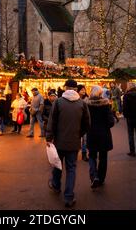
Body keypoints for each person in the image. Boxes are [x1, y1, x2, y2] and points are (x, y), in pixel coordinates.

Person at [46, 79, 90, 208]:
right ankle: (69, 197)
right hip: (74, 142)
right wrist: (79, 134)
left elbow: (52, 121)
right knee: (71, 169)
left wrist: (49, 137)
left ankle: (56, 185)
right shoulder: (82, 103)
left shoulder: (58, 102)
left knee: (57, 164)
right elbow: (87, 124)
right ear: (75, 89)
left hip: (59, 141)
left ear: (66, 88)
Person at [86, 85, 114, 188]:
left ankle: (94, 176)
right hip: (104, 135)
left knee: (92, 155)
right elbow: (111, 122)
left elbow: (85, 121)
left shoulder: (87, 105)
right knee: (103, 157)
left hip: (91, 134)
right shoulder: (105, 105)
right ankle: (101, 179)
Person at [78, 84, 89, 162]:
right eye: (82, 90)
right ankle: (74, 153)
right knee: (77, 139)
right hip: (77, 122)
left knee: (85, 139)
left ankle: (84, 154)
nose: (84, 91)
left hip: (84, 122)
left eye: (84, 89)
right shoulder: (75, 99)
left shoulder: (87, 99)